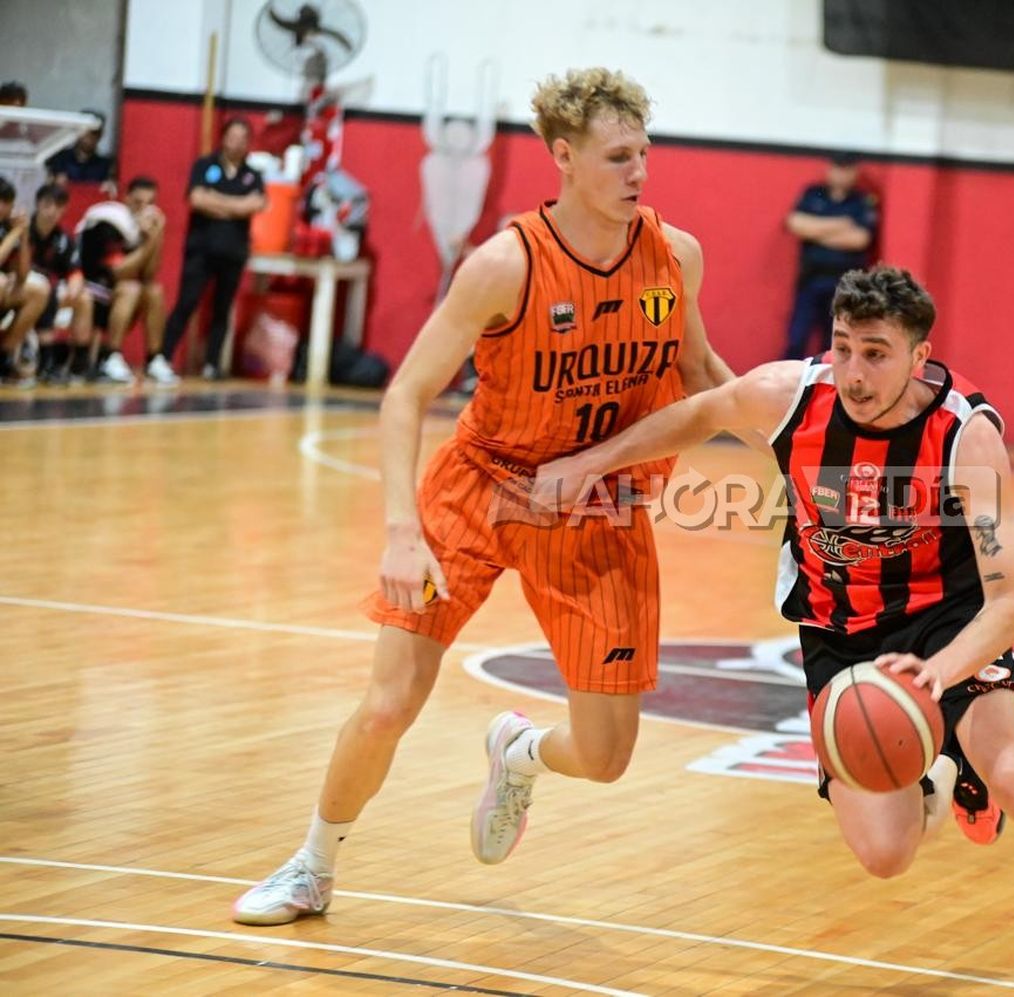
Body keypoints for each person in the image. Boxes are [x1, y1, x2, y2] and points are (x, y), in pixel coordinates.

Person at [533, 266, 1014, 995]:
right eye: (843, 347)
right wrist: (592, 461)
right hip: (840, 636)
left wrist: (938, 673)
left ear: (919, 355)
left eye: (876, 352)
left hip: (949, 623)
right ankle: (949, 774)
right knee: (885, 854)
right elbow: (701, 411)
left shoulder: (965, 435)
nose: (854, 370)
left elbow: (1008, 606)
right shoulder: (790, 396)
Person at [230, 67, 736, 927]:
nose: (638, 172)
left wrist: (805, 451)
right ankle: (313, 865)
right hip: (482, 484)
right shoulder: (503, 265)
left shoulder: (673, 254)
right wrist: (401, 533)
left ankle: (520, 751)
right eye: (618, 156)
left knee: (609, 757)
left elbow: (705, 380)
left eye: (644, 153)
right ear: (564, 157)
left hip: (596, 505)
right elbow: (404, 395)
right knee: (390, 700)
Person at [159, 117, 266, 380]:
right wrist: (235, 206)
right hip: (201, 250)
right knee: (187, 302)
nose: (236, 142)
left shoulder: (252, 175)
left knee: (222, 309)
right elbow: (197, 199)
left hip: (233, 252)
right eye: (232, 136)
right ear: (223, 137)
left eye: (242, 138)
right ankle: (162, 357)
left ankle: (212, 364)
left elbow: (255, 204)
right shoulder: (205, 165)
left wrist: (217, 201)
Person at [75, 177, 172, 384]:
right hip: (91, 287)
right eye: (138, 202)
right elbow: (117, 272)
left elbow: (148, 273)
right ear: (126, 198)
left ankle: (154, 359)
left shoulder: (143, 226)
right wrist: (151, 241)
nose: (144, 209)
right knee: (131, 288)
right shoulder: (109, 221)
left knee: (154, 291)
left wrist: (157, 236)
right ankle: (110, 357)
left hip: (117, 293)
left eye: (149, 204)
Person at [781, 152, 877, 360]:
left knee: (835, 340)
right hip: (811, 278)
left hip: (843, 283)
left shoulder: (861, 200)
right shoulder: (814, 193)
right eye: (837, 168)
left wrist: (816, 232)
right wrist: (841, 224)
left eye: (847, 169)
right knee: (797, 337)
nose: (841, 175)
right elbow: (795, 223)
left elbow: (859, 240)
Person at [26, 184, 90, 384]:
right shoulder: (24, 231)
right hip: (26, 291)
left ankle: (80, 363)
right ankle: (46, 360)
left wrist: (75, 285)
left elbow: (75, 271)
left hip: (51, 294)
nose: (52, 211)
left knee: (84, 298)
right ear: (37, 205)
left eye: (58, 206)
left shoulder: (64, 239)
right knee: (45, 289)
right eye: (47, 205)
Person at [0, 177, 48, 384]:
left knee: (38, 291)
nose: (6, 208)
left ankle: (4, 357)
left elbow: (23, 275)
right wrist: (15, 233)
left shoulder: (6, 228)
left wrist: (24, 236)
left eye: (8, 203)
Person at [45, 110, 117, 193]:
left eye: (94, 132)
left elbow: (111, 188)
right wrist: (53, 182)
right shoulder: (59, 158)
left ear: (101, 134)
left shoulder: (105, 165)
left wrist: (109, 186)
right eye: (86, 130)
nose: (89, 136)